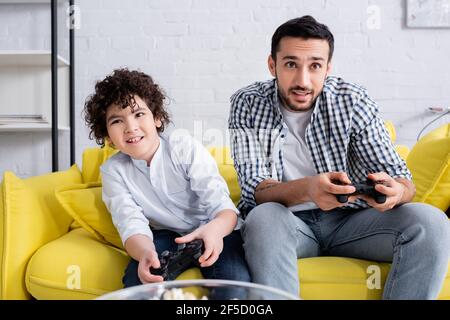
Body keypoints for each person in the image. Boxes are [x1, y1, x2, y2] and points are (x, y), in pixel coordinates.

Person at [228, 16, 450, 299]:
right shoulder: (247, 102)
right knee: (264, 216)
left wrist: (397, 191)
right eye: (291, 64)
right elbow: (254, 191)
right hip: (288, 226)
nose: (302, 80)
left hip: (352, 224)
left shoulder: (352, 100)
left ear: (328, 68)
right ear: (272, 65)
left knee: (432, 223)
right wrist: (310, 188)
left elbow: (402, 180)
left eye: (315, 66)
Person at [84, 68, 250, 299]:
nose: (130, 127)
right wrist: (144, 253)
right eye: (117, 120)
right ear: (108, 136)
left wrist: (214, 230)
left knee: (235, 285)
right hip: (165, 236)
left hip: (213, 229)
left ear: (157, 118)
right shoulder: (113, 171)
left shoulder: (182, 147)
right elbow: (130, 223)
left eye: (139, 114)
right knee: (138, 282)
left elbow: (223, 208)